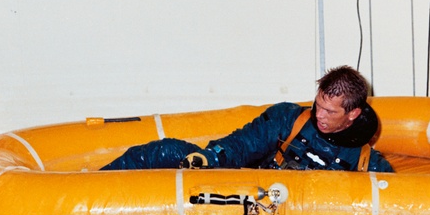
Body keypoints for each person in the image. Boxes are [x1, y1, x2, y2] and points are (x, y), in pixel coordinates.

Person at [102, 65, 394, 172]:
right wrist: (211, 158)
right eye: (318, 104)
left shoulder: (368, 163)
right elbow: (240, 145)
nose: (320, 115)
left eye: (330, 112)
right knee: (165, 150)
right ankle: (88, 186)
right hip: (253, 194)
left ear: (353, 114)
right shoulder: (287, 119)